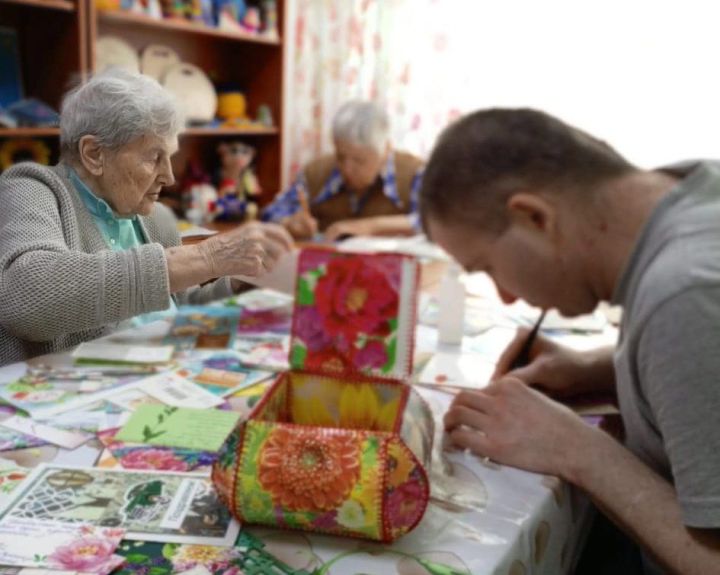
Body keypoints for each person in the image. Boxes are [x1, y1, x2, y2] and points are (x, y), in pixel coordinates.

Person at [420, 108, 720, 574]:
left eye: (488, 268)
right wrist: (596, 366)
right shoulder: (694, 187)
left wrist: (575, 449)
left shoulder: (684, 293)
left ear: (535, 217)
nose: (505, 294)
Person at [0, 69, 292, 366]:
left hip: (164, 375)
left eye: (170, 157)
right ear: (93, 154)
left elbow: (179, 306)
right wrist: (205, 258)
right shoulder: (31, 189)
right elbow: (26, 296)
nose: (169, 176)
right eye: (154, 157)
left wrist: (237, 284)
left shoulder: (156, 217)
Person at [262, 100, 424, 241]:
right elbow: (270, 213)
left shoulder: (414, 172)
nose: (347, 168)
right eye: (340, 157)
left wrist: (371, 227)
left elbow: (432, 222)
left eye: (359, 160)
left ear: (386, 150)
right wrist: (289, 223)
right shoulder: (314, 172)